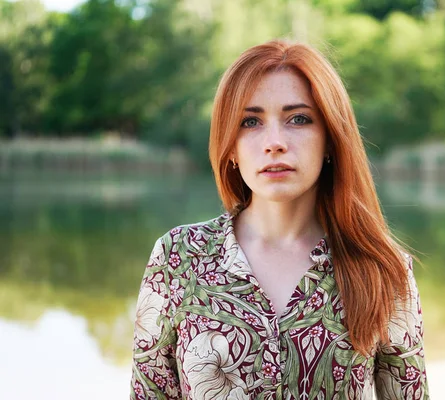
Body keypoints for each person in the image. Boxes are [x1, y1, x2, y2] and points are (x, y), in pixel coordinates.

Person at [130, 39, 428, 400]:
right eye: (250, 121)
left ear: (331, 139)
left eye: (298, 119)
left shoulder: (383, 268)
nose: (274, 142)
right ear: (231, 147)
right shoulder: (178, 258)